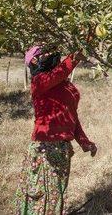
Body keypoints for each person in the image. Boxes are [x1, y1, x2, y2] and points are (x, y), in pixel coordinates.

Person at [15, 45, 97, 214]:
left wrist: (84, 142)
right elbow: (59, 72)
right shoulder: (39, 81)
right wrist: (74, 57)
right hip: (44, 148)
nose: (49, 54)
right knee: (40, 195)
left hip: (62, 149)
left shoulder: (64, 84)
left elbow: (70, 116)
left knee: (55, 196)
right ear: (35, 61)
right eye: (42, 53)